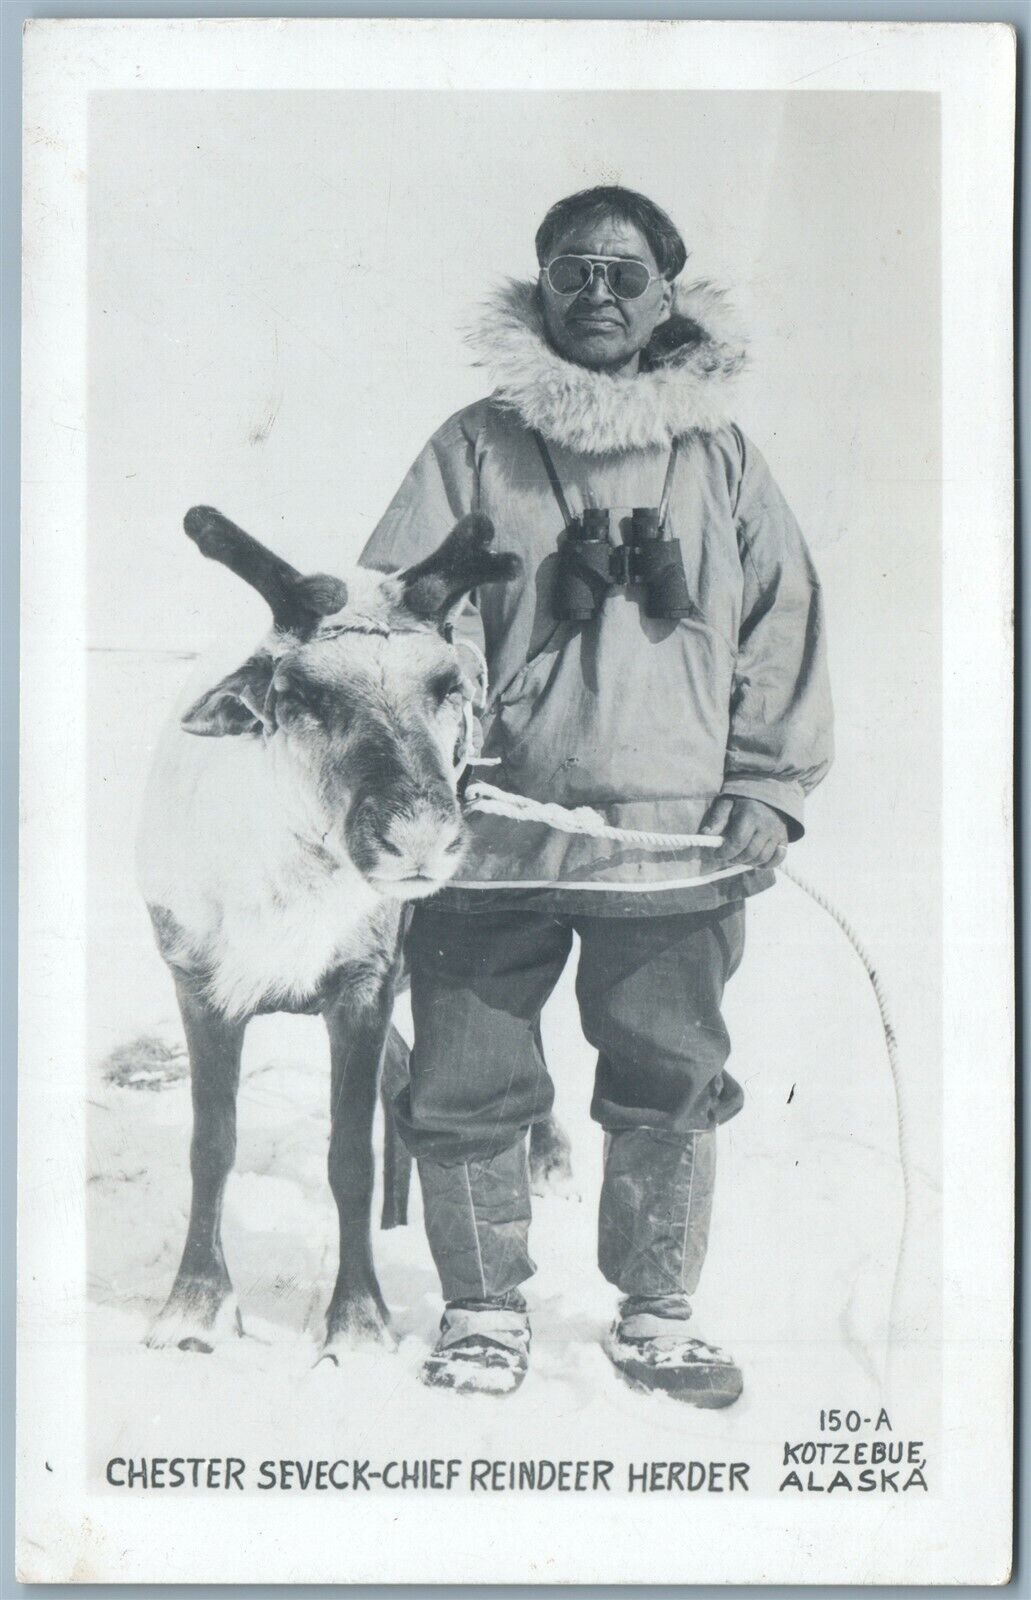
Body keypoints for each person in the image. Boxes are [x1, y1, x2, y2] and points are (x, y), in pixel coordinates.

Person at [360, 186, 833, 1404]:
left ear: (668, 298)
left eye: (626, 275)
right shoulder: (473, 443)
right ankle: (479, 1308)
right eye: (575, 271)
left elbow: (784, 623)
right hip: (494, 829)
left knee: (666, 1070)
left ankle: (657, 1309)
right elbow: (394, 622)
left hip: (671, 840)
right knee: (467, 1074)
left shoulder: (718, 453)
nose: (600, 294)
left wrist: (768, 789)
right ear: (538, 288)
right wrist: (426, 773)